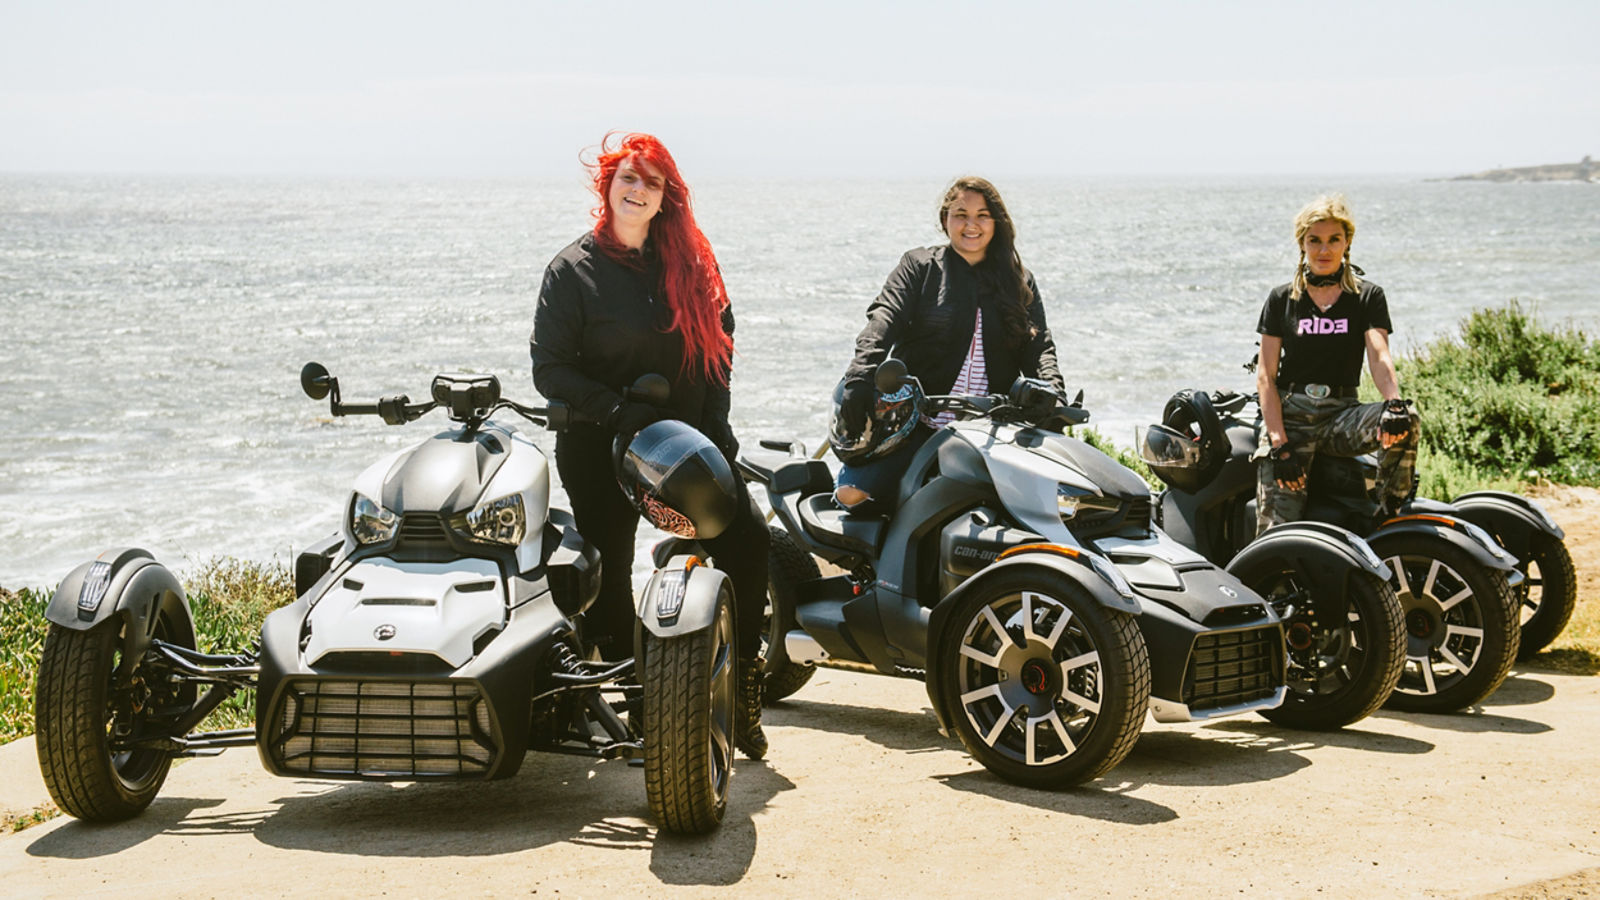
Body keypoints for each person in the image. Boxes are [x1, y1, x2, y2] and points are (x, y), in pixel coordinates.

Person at [530, 133, 772, 758]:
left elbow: (719, 352)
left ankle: (740, 688)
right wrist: (615, 410)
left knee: (746, 542)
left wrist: (718, 431)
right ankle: (645, 707)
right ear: (607, 186)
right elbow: (549, 370)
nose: (638, 191)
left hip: (686, 444)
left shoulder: (691, 264)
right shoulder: (572, 270)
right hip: (599, 444)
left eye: (652, 183)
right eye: (627, 179)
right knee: (608, 568)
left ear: (667, 197)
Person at [832, 176, 1063, 511]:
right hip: (918, 423)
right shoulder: (920, 267)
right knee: (853, 495)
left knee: (1052, 505)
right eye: (961, 214)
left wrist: (1053, 391)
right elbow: (882, 321)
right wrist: (859, 376)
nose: (972, 225)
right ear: (945, 220)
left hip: (995, 429)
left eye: (982, 215)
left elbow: (1040, 346)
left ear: (996, 223)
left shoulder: (1020, 280)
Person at [1254, 193, 1421, 535]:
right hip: (1291, 419)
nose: (1324, 250)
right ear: (1302, 243)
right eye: (1314, 240)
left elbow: (1379, 355)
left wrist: (1393, 404)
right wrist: (1279, 445)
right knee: (1275, 533)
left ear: (1347, 242)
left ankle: (1389, 516)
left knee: (1407, 417)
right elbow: (1266, 377)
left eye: (1334, 240)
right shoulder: (1281, 299)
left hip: (1340, 418)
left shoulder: (1367, 296)